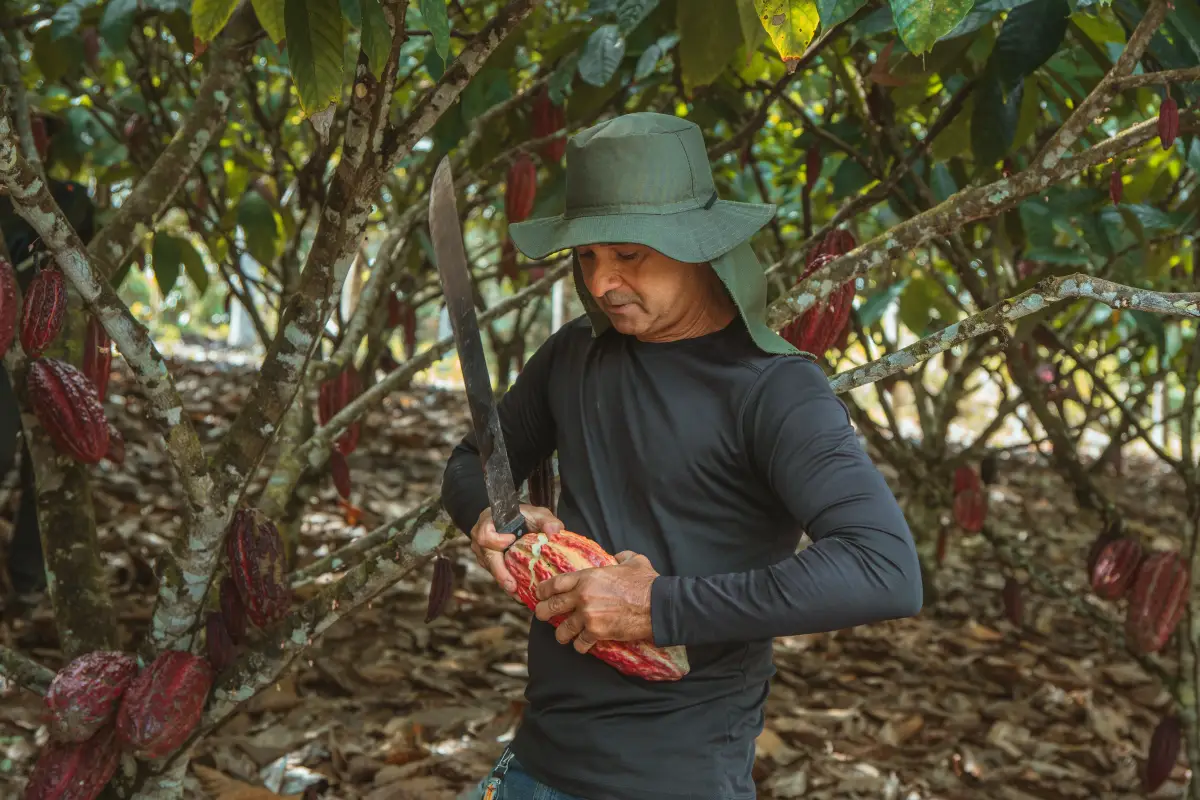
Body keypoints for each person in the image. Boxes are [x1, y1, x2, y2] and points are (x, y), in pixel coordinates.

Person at [441, 111, 922, 800]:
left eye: (629, 254)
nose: (603, 282)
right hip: (539, 762)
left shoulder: (774, 389)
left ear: (694, 244)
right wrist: (486, 515)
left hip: (676, 779)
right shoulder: (576, 354)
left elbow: (884, 568)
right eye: (587, 257)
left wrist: (659, 607)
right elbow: (471, 460)